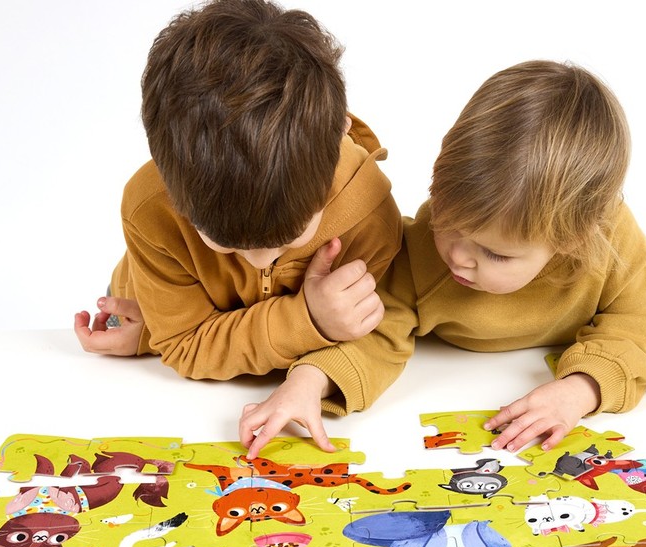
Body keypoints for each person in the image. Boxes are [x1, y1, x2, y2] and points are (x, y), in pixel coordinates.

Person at [238, 60, 646, 458]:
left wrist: (581, 390)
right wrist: (308, 381)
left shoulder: (611, 244)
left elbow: (641, 323)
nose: (459, 258)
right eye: (448, 221)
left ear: (573, 240)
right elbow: (378, 326)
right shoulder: (421, 251)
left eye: (495, 253)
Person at [74, 0, 402, 380]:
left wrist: (193, 339)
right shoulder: (148, 208)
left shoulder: (370, 212)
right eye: (224, 242)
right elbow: (184, 344)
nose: (260, 262)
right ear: (164, 170)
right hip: (144, 304)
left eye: (289, 237)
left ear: (339, 137)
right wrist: (307, 318)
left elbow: (370, 335)